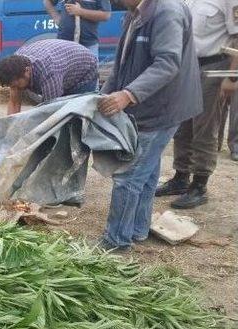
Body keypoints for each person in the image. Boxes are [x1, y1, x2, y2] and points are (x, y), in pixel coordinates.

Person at [97, 0, 202, 250]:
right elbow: (121, 65)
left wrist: (128, 94)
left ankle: (116, 243)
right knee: (147, 171)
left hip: (162, 108)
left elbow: (167, 63)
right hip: (148, 105)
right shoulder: (134, 13)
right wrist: (103, 94)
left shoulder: (167, 11)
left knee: (128, 176)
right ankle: (137, 229)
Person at [155, 0, 238, 208]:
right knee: (182, 126)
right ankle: (181, 177)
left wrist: (232, 77)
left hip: (214, 66)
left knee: (205, 127)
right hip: (186, 66)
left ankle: (199, 185)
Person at [0, 39, 98, 114]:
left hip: (85, 71)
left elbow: (49, 113)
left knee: (77, 115)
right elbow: (14, 103)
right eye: (12, 86)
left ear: (27, 71)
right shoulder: (15, 67)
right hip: (63, 66)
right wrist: (9, 131)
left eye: (16, 86)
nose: (15, 89)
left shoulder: (49, 73)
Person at [44, 0, 112, 56]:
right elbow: (47, 1)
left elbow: (106, 15)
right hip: (64, 45)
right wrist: (56, 18)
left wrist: (80, 11)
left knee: (89, 71)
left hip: (88, 45)